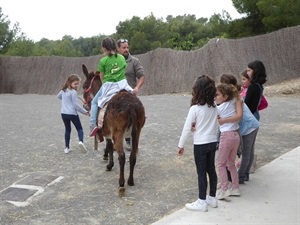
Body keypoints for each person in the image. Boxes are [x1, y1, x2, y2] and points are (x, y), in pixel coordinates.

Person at [177, 75, 219, 212]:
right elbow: (215, 125)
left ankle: (201, 202)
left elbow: (187, 127)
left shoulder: (194, 109)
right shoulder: (214, 108)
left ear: (197, 91)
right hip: (212, 143)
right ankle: (212, 198)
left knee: (201, 173)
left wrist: (181, 145)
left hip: (200, 145)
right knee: (211, 170)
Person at [219, 74, 260, 184]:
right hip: (253, 125)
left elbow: (238, 117)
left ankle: (241, 176)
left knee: (246, 153)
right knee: (249, 152)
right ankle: (244, 175)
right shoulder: (236, 97)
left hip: (249, 127)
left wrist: (223, 121)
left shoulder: (235, 99)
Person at [89, 37, 133, 137]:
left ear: (104, 48)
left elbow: (102, 77)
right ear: (114, 47)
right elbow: (123, 70)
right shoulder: (122, 58)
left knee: (95, 102)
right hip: (122, 84)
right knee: (132, 95)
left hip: (109, 85)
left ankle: (93, 124)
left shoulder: (103, 60)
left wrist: (108, 81)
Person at [117, 38, 145, 150]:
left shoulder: (134, 61)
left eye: (127, 47)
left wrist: (137, 88)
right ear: (118, 48)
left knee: (133, 115)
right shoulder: (114, 61)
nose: (126, 49)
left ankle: (129, 140)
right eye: (123, 48)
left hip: (129, 94)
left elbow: (142, 76)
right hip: (115, 94)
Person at [215, 83, 242, 200]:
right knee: (230, 163)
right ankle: (235, 187)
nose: (215, 97)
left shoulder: (219, 108)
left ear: (225, 96)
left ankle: (224, 189)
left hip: (226, 136)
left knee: (220, 164)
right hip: (236, 135)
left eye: (217, 95)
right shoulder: (234, 101)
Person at [57, 74, 89, 154]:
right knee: (79, 129)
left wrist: (65, 99)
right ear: (69, 83)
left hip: (64, 114)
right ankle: (80, 142)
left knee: (67, 130)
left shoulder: (63, 90)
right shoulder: (73, 92)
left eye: (78, 84)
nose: (77, 85)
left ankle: (66, 148)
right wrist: (85, 112)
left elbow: (59, 96)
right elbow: (76, 105)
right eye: (75, 84)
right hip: (72, 114)